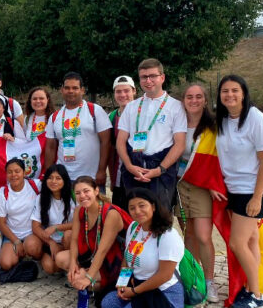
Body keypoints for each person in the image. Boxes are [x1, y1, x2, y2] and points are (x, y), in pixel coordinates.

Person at [102, 188, 192, 308]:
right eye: (132, 208)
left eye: (142, 205)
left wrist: (135, 292)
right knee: (108, 305)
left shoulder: (167, 235)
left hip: (162, 290)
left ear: (153, 206)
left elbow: (164, 275)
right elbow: (127, 259)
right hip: (137, 285)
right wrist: (122, 283)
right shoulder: (134, 228)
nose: (137, 211)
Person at [215, 75, 263, 308]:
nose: (230, 95)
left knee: (237, 242)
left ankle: (257, 295)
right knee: (250, 240)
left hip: (252, 189)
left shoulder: (255, 118)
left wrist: (257, 197)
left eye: (235, 91)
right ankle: (251, 287)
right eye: (225, 91)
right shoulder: (224, 120)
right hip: (234, 188)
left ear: (244, 93)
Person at [116, 59, 187, 210]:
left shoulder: (176, 107)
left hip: (160, 170)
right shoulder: (131, 107)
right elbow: (120, 141)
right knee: (135, 216)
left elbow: (180, 144)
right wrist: (129, 165)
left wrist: (159, 170)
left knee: (160, 218)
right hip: (134, 169)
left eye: (152, 76)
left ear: (162, 77)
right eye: (143, 77)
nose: (148, 81)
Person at [176, 83, 220, 303]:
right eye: (189, 96)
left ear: (205, 100)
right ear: (183, 100)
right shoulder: (178, 123)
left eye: (198, 96)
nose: (193, 100)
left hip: (203, 186)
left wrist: (214, 183)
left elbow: (219, 157)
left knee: (203, 235)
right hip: (180, 184)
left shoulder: (213, 127)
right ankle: (194, 278)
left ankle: (210, 281)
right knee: (189, 234)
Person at [58, 176, 131, 306]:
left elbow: (103, 250)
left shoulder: (110, 213)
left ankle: (98, 284)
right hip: (93, 254)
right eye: (78, 193)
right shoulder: (80, 210)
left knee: (80, 280)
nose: (82, 196)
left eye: (86, 191)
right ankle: (88, 278)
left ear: (96, 191)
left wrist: (88, 277)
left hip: (117, 259)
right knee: (61, 259)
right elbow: (74, 239)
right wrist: (73, 264)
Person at [44, 72, 112, 185]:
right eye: (67, 88)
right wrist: (50, 174)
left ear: (82, 90)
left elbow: (106, 142)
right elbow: (50, 147)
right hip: (63, 177)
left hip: (90, 176)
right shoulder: (55, 117)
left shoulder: (95, 110)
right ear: (62, 90)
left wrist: (101, 171)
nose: (70, 91)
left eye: (75, 88)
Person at [0, 158, 42, 271]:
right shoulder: (2, 193)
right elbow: (2, 223)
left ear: (24, 173)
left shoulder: (36, 185)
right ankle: (21, 256)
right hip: (12, 235)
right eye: (10, 172)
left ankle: (38, 261)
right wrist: (16, 241)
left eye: (17, 171)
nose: (13, 175)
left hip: (32, 233)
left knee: (32, 247)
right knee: (5, 264)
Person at [28, 164, 76, 274]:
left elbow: (79, 223)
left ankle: (71, 262)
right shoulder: (42, 197)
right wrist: (51, 243)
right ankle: (50, 260)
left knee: (69, 234)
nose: (53, 181)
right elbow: (35, 226)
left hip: (67, 241)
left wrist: (56, 227)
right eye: (50, 178)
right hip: (49, 241)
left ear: (65, 180)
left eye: (58, 178)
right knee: (49, 267)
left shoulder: (73, 197)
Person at [108, 76, 137, 209]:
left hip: (140, 177)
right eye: (118, 91)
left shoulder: (144, 114)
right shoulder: (111, 117)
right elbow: (110, 149)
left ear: (134, 91)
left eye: (126, 91)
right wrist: (113, 179)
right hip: (119, 178)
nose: (122, 95)